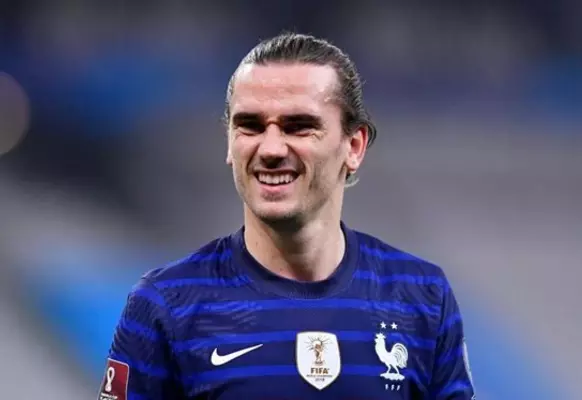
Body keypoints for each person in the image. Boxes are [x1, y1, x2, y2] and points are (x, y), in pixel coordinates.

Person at [98, 32, 476, 400]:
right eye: (250, 126)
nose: (271, 149)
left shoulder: (423, 297)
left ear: (354, 146)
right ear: (229, 142)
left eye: (299, 127)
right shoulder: (166, 304)